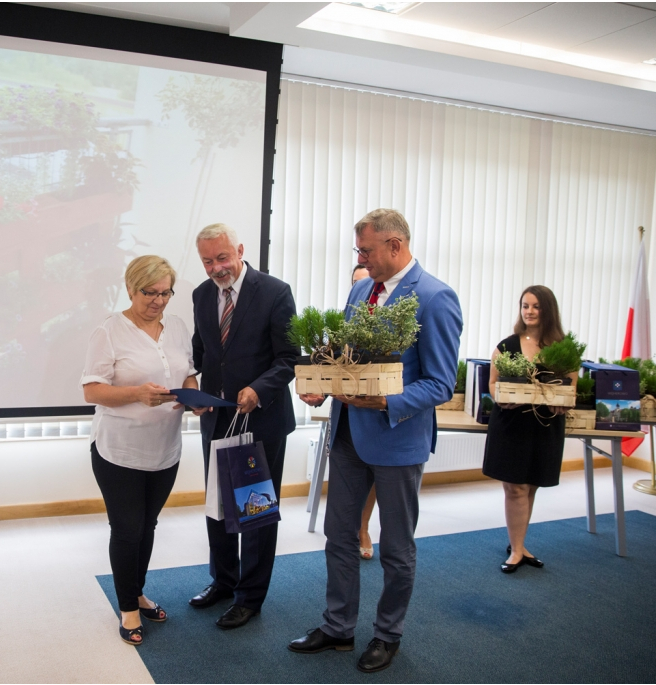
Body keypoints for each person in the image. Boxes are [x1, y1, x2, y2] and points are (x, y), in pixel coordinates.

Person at [291, 209, 463, 673]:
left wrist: (386, 403)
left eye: (365, 250)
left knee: (396, 548)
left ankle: (388, 634)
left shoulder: (435, 297)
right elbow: (351, 363)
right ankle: (338, 627)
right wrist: (323, 384)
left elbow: (441, 384)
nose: (360, 258)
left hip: (396, 440)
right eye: (358, 251)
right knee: (338, 536)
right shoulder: (360, 290)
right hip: (347, 434)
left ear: (395, 245)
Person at [81, 255, 199, 646]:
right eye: (150, 293)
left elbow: (186, 371)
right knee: (128, 529)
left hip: (166, 449)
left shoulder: (178, 327)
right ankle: (128, 607)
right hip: (119, 451)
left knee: (148, 527)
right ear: (131, 289)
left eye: (166, 293)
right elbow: (92, 390)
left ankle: (138, 591)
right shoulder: (109, 331)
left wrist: (194, 393)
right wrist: (136, 393)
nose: (159, 301)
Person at [187, 222, 298, 630]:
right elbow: (201, 354)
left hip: (261, 420)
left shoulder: (274, 291)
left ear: (240, 250)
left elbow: (289, 358)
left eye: (222, 258)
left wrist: (257, 388)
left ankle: (250, 597)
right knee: (217, 507)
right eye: (207, 261)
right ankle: (223, 580)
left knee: (253, 512)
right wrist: (190, 387)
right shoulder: (201, 295)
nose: (217, 268)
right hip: (216, 418)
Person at [482, 285, 571, 574]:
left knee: (530, 485)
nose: (529, 311)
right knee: (516, 488)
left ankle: (517, 542)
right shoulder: (507, 345)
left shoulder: (562, 347)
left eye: (535, 306)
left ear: (547, 310)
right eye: (525, 306)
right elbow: (493, 383)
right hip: (511, 424)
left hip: (545, 425)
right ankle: (517, 550)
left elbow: (572, 385)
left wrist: (564, 404)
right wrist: (499, 398)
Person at [351, 264, 377, 561]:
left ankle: (363, 526)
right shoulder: (346, 319)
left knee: (373, 478)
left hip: (381, 416)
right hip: (347, 416)